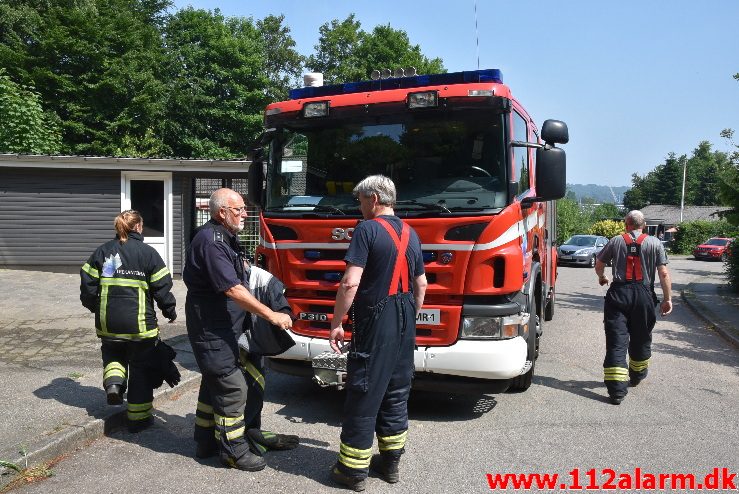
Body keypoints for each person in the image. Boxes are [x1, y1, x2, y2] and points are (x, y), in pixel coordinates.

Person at [183, 188, 296, 472]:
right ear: (222, 212)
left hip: (226, 327)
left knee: (215, 384)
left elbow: (245, 274)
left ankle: (205, 441)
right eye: (239, 209)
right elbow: (233, 288)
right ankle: (233, 450)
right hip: (212, 329)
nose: (245, 214)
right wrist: (271, 315)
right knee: (232, 387)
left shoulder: (227, 238)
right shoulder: (211, 242)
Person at [329, 175, 428, 491]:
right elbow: (421, 285)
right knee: (396, 391)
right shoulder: (411, 233)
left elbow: (349, 282)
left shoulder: (367, 230)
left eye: (360, 201)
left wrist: (337, 322)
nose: (359, 208)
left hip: (376, 318)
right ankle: (390, 463)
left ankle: (352, 472)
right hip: (404, 317)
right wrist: (410, 316)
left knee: (364, 390)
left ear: (373, 198)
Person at [80, 210, 177, 432]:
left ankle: (114, 384)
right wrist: (169, 310)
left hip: (108, 324)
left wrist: (96, 307)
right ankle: (138, 419)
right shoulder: (147, 253)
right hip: (140, 326)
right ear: (138, 227)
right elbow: (162, 287)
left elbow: (87, 285)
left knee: (113, 354)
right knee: (141, 368)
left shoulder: (103, 252)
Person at [594, 210, 672, 405]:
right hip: (644, 295)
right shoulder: (655, 243)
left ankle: (616, 392)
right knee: (641, 337)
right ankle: (637, 374)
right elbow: (663, 273)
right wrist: (667, 299)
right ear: (643, 225)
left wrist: (602, 277)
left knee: (616, 340)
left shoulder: (615, 241)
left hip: (618, 294)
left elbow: (599, 263)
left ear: (626, 224)